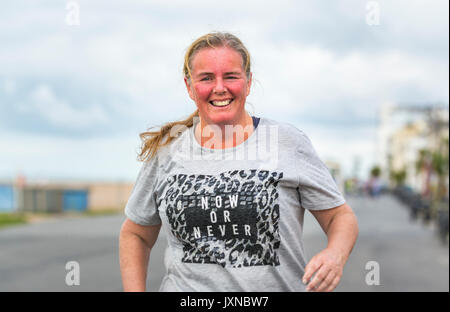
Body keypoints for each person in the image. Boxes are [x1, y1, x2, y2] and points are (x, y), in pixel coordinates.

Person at [119, 32, 359, 292]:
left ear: (248, 82)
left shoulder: (287, 142)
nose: (219, 88)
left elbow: (340, 216)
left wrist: (335, 255)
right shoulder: (168, 151)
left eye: (231, 76)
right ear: (189, 86)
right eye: (206, 78)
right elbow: (136, 234)